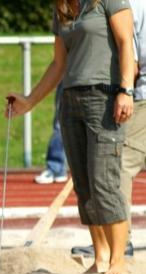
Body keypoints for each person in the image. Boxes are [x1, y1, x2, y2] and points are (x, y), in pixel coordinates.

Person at [7, 0, 134, 274]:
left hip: (105, 96)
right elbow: (58, 63)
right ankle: (100, 256)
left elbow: (126, 43)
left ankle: (118, 258)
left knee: (105, 181)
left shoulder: (110, 2)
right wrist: (29, 101)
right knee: (83, 183)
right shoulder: (61, 7)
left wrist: (126, 89)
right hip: (70, 100)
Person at [71, 0, 144, 258]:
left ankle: (120, 247)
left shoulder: (131, 4)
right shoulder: (80, 7)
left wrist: (127, 90)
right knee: (98, 173)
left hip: (134, 95)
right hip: (119, 93)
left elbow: (133, 56)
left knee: (116, 167)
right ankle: (107, 247)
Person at [34, 82, 69, 184]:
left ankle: (57, 167)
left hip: (98, 81)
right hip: (69, 77)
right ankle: (56, 167)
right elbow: (57, 66)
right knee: (61, 123)